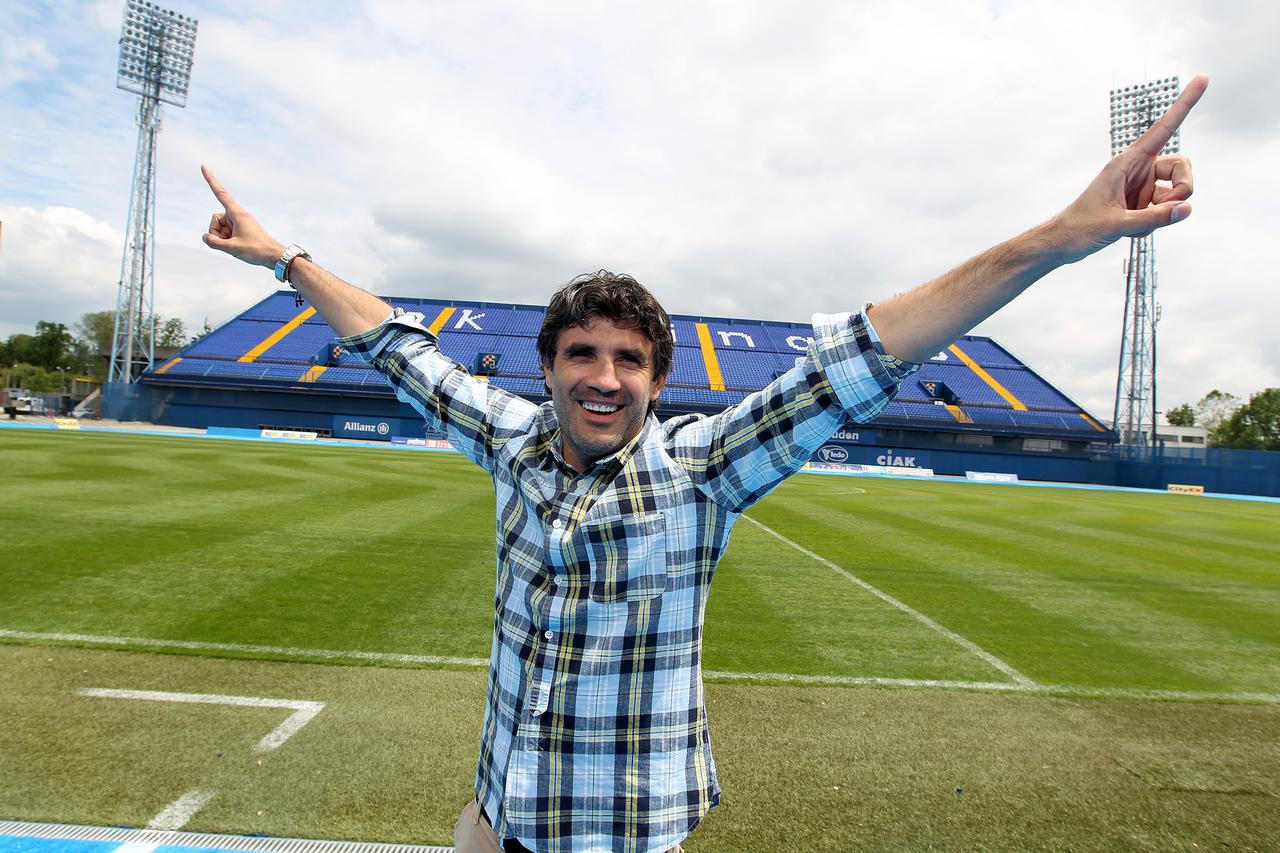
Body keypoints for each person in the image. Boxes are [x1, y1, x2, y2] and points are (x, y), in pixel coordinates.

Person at [201, 74, 1206, 853]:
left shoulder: (701, 468)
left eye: (627, 359)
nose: (604, 378)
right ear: (547, 367)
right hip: (499, 819)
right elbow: (396, 343)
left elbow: (864, 356)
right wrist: (283, 257)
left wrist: (1056, 240)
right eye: (581, 355)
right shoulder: (510, 442)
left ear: (658, 375)